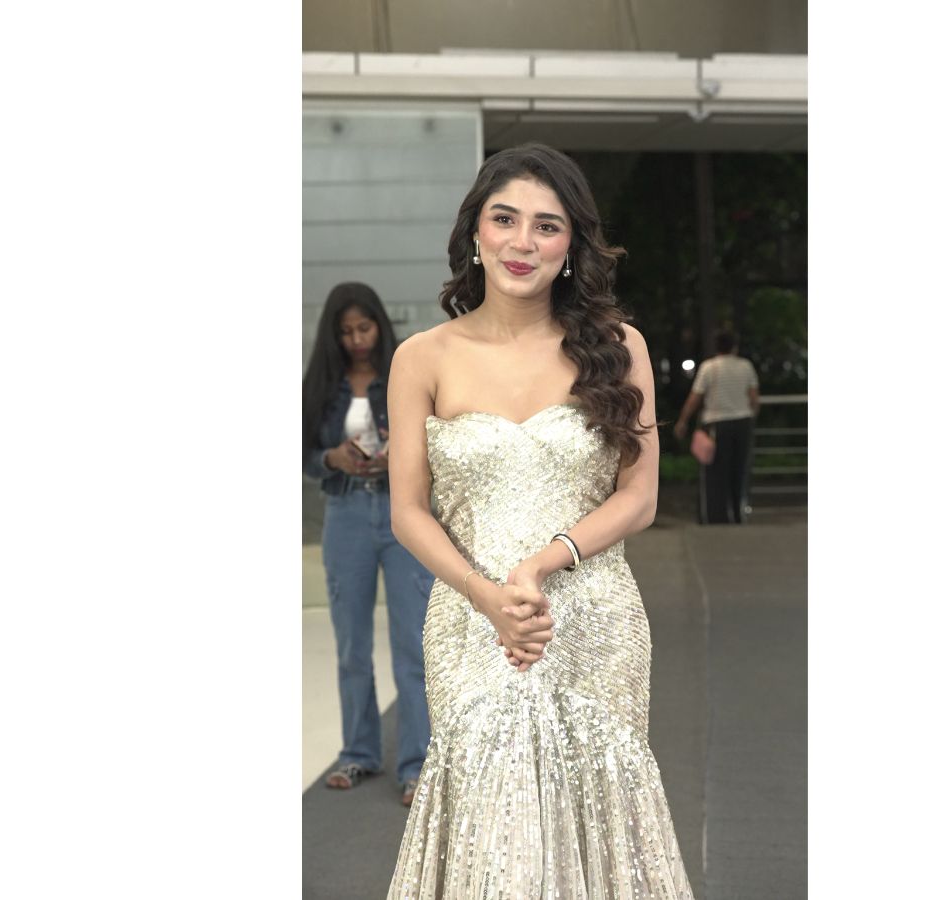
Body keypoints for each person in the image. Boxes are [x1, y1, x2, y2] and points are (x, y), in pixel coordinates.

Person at [385, 144, 694, 897]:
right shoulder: (421, 357)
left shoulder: (618, 348)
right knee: (492, 823)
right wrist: (488, 597)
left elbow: (639, 496)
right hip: (472, 621)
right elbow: (408, 511)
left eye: (547, 226)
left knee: (598, 801)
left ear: (571, 245)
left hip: (592, 619)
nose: (522, 242)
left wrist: (544, 562)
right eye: (505, 219)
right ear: (476, 232)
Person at [302, 282, 435, 806]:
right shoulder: (321, 386)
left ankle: (417, 764)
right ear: (333, 336)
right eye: (346, 331)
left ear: (380, 325)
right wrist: (331, 458)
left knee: (413, 643)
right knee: (352, 646)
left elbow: (436, 438)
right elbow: (304, 454)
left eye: (364, 328)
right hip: (347, 515)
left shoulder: (405, 372)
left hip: (404, 512)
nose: (357, 339)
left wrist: (402, 452)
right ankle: (359, 752)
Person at [673, 330, 760, 524]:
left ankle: (715, 515)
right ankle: (738, 513)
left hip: (716, 423)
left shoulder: (709, 367)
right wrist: (751, 414)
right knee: (740, 469)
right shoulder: (746, 366)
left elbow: (695, 397)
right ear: (734, 347)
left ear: (717, 347)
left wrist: (683, 420)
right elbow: (754, 398)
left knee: (714, 472)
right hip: (743, 422)